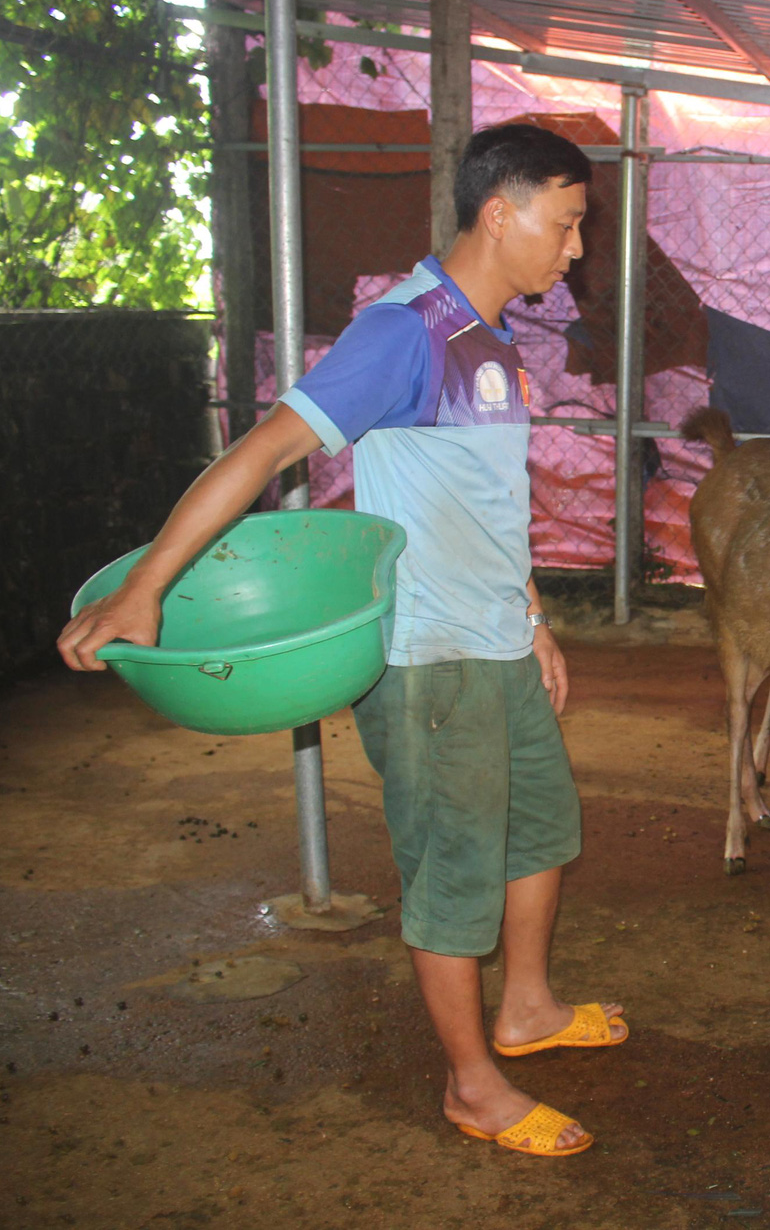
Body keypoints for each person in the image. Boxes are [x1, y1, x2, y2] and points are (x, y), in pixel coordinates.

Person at [58, 123, 623, 1157]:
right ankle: (469, 1085)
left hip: (494, 638)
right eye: (568, 222)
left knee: (541, 832)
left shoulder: (490, 337)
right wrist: (148, 587)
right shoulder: (403, 333)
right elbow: (264, 449)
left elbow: (489, 502)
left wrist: (534, 617)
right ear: (500, 212)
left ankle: (527, 1007)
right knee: (455, 872)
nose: (576, 248)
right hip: (427, 659)